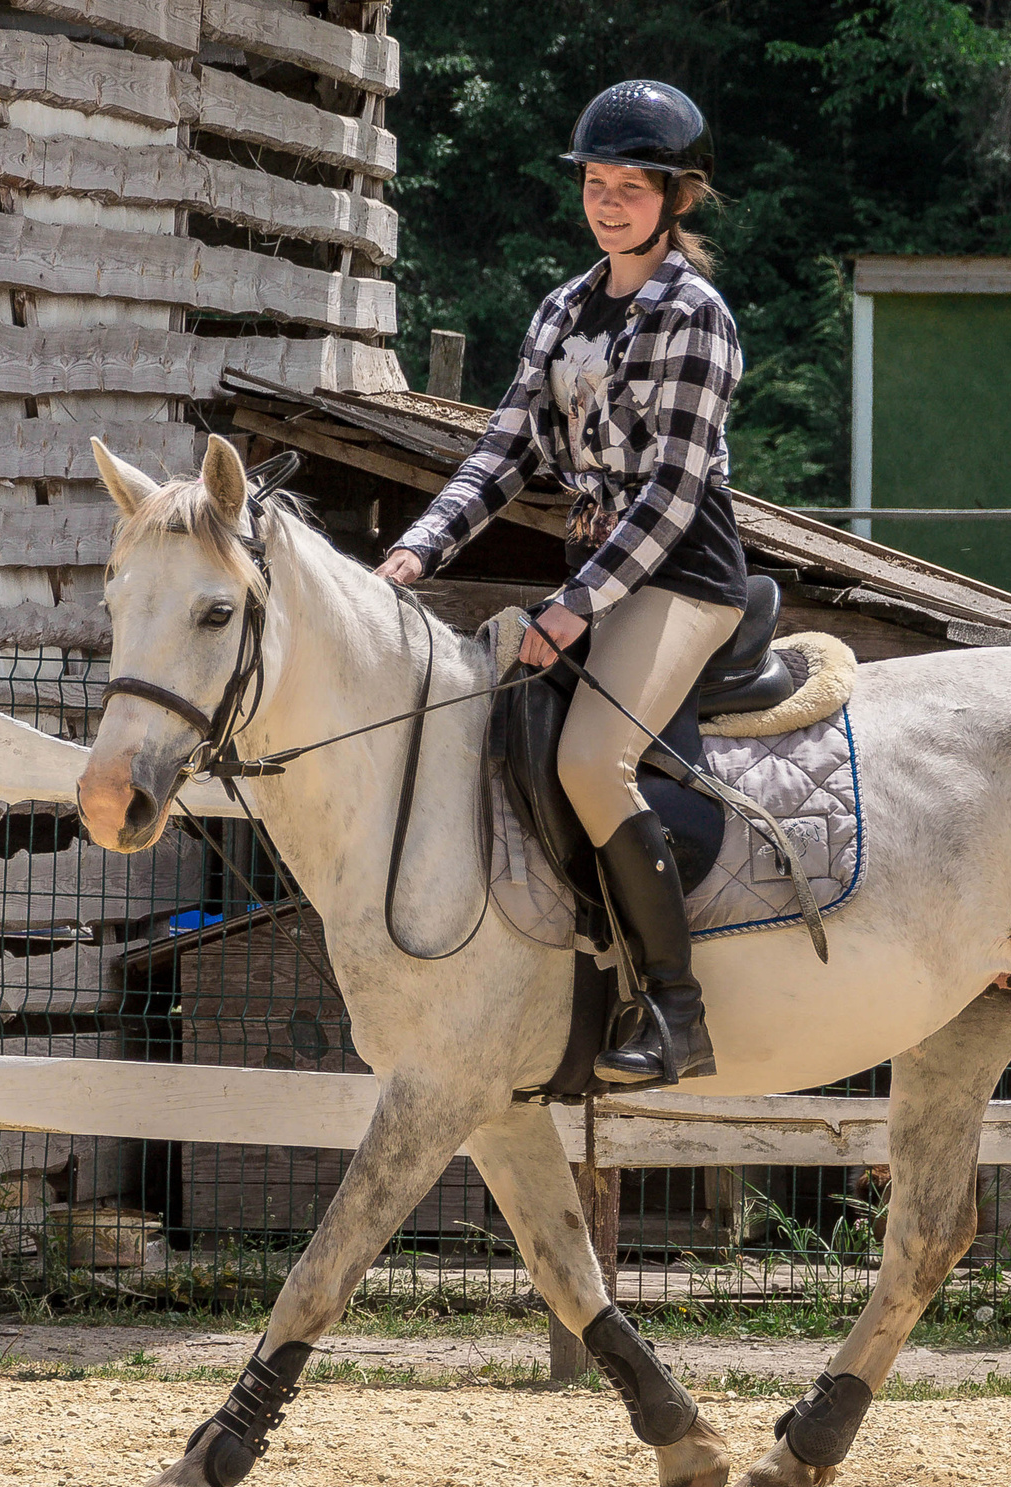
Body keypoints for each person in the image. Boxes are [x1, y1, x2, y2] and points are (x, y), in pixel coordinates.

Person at [375, 79, 745, 1089]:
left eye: (632, 185)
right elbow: (499, 455)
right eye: (595, 183)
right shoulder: (560, 311)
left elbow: (669, 495)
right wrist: (416, 550)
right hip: (592, 578)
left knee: (589, 762)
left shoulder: (694, 316)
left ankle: (676, 1011)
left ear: (677, 198)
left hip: (681, 577)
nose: (609, 201)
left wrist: (575, 605)